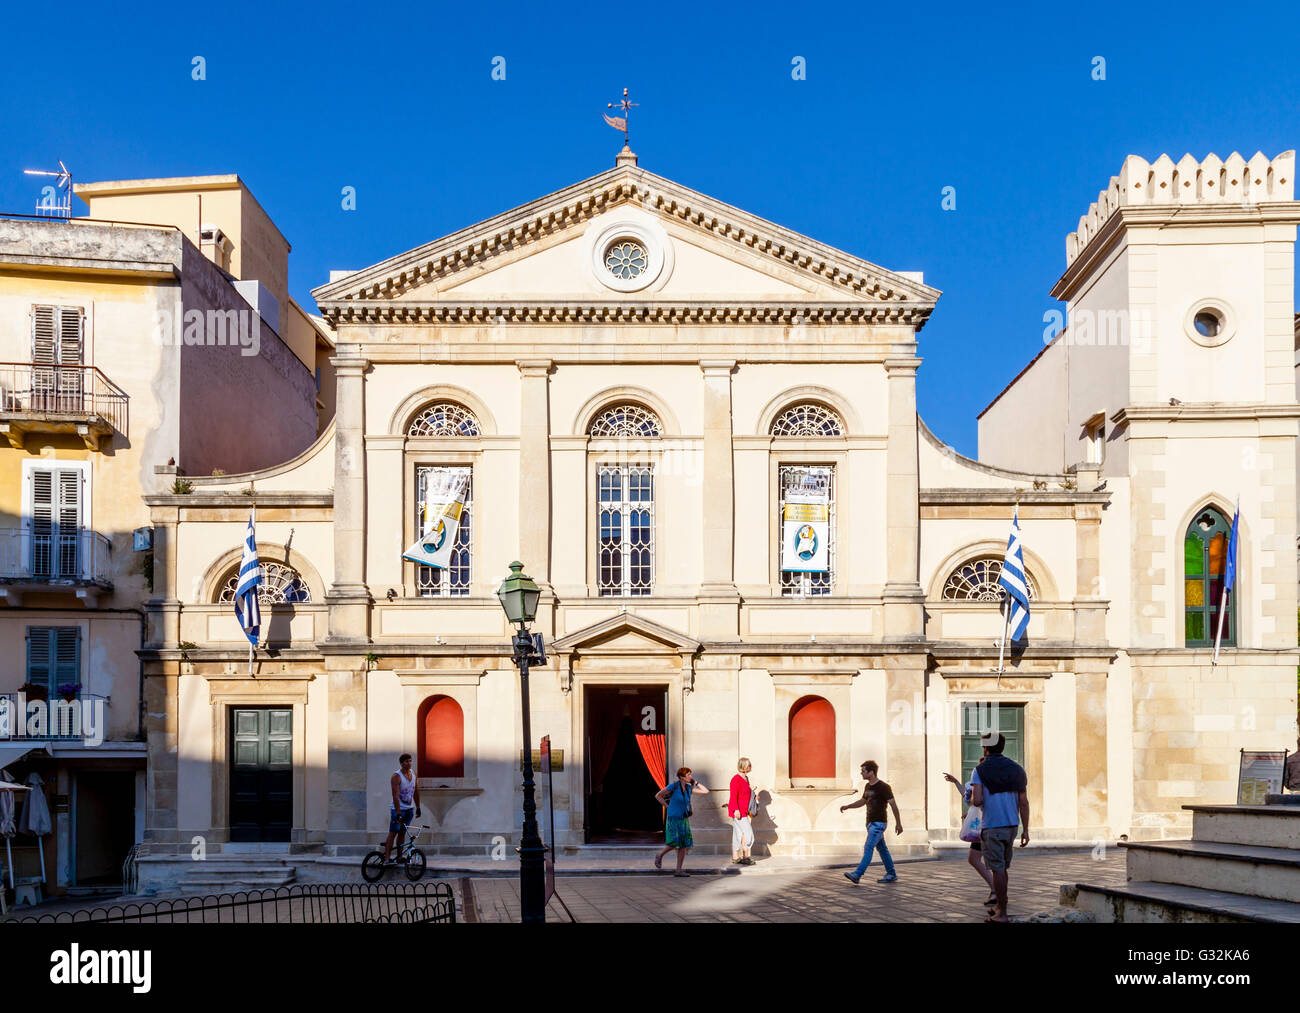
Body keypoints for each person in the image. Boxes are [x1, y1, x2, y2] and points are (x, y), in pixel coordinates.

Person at [970, 732, 1030, 923]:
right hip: (1012, 825)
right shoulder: (1017, 769)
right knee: (1002, 868)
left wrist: (970, 797)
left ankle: (1002, 913)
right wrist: (1026, 830)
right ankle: (998, 907)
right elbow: (1024, 802)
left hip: (993, 825)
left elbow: (977, 800)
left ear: (985, 747)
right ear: (1002, 747)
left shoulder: (979, 770)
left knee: (998, 870)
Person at [943, 760, 996, 908]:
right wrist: (956, 782)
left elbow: (977, 801)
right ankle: (996, 890)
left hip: (985, 827)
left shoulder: (989, 785)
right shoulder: (982, 784)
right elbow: (969, 797)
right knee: (977, 859)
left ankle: (996, 891)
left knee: (986, 861)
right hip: (981, 827)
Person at [840, 760, 902, 884]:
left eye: (863, 771)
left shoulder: (884, 787)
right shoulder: (867, 786)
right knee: (883, 849)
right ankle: (891, 874)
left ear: (871, 772)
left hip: (878, 824)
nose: (861, 773)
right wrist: (848, 806)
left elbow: (893, 805)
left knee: (868, 847)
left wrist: (898, 823)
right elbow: (863, 801)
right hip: (870, 823)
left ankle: (857, 874)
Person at [654, 766, 709, 876]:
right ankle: (660, 855)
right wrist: (667, 806)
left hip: (683, 819)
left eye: (690, 774)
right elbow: (658, 796)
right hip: (673, 818)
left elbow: (705, 791)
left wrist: (696, 782)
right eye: (688, 775)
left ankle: (678, 870)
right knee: (674, 842)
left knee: (684, 844)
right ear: (681, 777)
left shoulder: (689, 788)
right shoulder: (673, 786)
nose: (690, 776)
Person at [382, 753, 421, 864]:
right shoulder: (396, 776)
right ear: (401, 763)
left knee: (402, 833)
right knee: (393, 832)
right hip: (398, 809)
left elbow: (416, 791)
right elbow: (395, 796)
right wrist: (398, 813)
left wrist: (418, 807)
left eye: (410, 761)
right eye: (406, 761)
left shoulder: (414, 774)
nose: (409, 763)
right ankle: (387, 858)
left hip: (409, 809)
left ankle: (399, 857)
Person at [729, 758, 756, 866]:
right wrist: (736, 810)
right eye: (749, 765)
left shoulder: (746, 778)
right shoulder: (736, 779)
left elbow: (745, 794)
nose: (750, 766)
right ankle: (746, 856)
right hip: (738, 811)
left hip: (744, 810)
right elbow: (733, 795)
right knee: (748, 834)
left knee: (738, 833)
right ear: (743, 766)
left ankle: (736, 857)